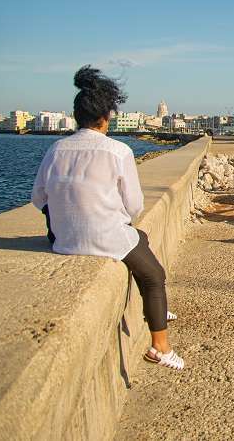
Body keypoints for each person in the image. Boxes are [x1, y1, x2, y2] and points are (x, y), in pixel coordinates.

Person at [31, 66, 185, 370]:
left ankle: (156, 308)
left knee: (141, 239)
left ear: (77, 116)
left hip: (63, 240)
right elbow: (134, 206)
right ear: (107, 116)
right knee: (154, 276)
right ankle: (160, 348)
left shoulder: (56, 148)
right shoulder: (118, 151)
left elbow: (38, 199)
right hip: (105, 238)